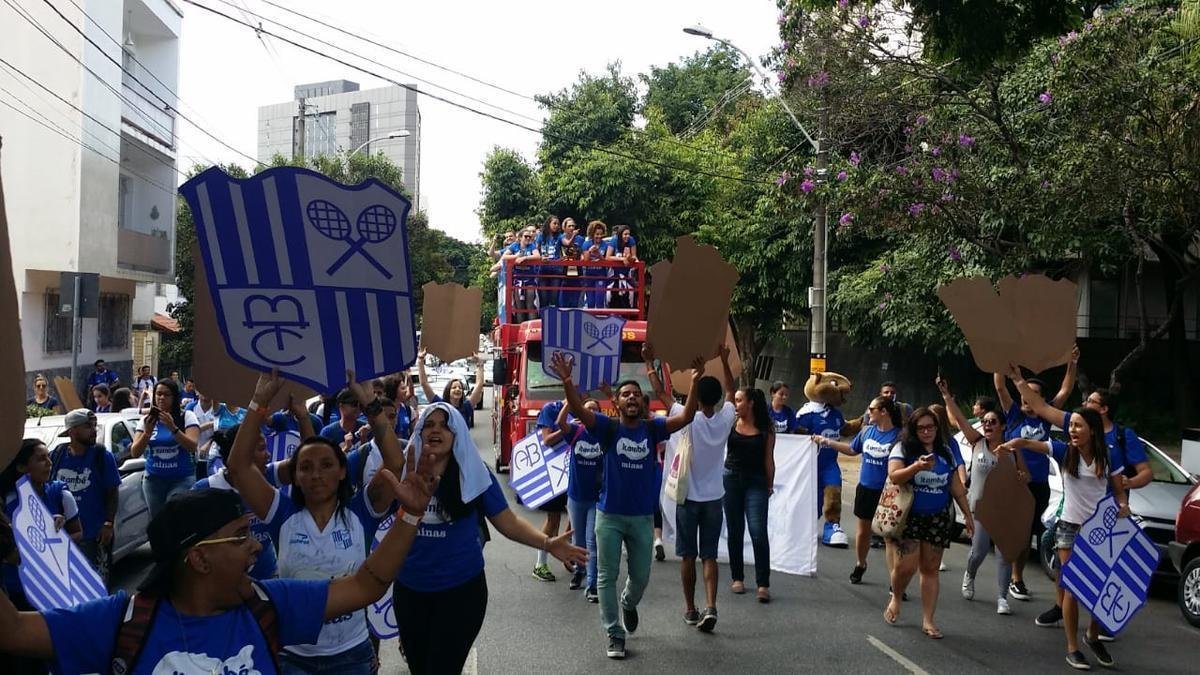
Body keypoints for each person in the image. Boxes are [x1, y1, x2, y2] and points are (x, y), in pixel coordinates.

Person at [0, 459, 437, 675]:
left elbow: (365, 586)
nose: (254, 549)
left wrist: (411, 516)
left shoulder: (269, 603)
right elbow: (14, 631)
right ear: (198, 558)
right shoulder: (123, 621)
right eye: (240, 536)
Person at [226, 371, 408, 674]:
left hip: (352, 655)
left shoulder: (361, 511)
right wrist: (259, 401)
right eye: (305, 467)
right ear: (295, 476)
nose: (316, 474)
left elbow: (395, 463)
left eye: (326, 465)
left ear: (341, 472)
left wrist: (369, 404)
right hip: (293, 657)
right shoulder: (280, 513)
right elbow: (238, 467)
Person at [394, 402, 586, 674]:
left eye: (445, 424)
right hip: (410, 591)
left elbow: (508, 522)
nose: (436, 430)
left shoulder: (475, 473)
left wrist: (547, 543)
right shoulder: (404, 469)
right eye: (429, 424)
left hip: (461, 594)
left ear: (457, 432)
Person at [553, 349, 702, 659]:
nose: (631, 397)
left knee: (640, 576)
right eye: (625, 394)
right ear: (617, 403)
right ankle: (614, 632)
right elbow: (580, 412)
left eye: (636, 394)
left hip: (641, 518)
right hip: (608, 516)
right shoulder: (607, 429)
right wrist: (568, 381)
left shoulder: (652, 428)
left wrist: (696, 379)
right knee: (606, 575)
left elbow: (687, 417)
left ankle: (628, 603)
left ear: (643, 403)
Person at [1005, 366, 1151, 638]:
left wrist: (1126, 485)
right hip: (1074, 513)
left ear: (1104, 409)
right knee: (1058, 554)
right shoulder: (1076, 427)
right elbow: (1041, 406)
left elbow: (1146, 472)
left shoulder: (1121, 438)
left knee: (1100, 574)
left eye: (1091, 402)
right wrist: (1017, 379)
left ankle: (1099, 623)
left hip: (1108, 517)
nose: (1083, 406)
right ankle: (1063, 609)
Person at [998, 405, 1128, 670]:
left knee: (1099, 589)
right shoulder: (1064, 450)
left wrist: (1123, 505)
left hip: (1099, 532)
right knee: (1072, 588)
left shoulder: (1109, 455)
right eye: (1071, 426)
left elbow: (1118, 491)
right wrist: (1013, 443)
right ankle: (1072, 648)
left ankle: (1092, 635)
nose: (1073, 430)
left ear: (1092, 430)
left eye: (1078, 426)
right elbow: (1031, 444)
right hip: (1068, 528)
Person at [993, 345, 1079, 602]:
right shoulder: (1014, 415)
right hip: (1013, 484)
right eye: (1024, 394)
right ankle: (1015, 579)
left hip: (1038, 483)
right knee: (1018, 534)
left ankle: (1016, 577)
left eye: (1032, 395)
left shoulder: (1044, 417)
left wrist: (1071, 363)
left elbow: (1065, 391)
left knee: (1030, 533)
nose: (1026, 399)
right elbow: (1000, 387)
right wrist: (999, 356)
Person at [882, 407, 972, 639]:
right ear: (913, 429)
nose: (926, 432)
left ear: (937, 428)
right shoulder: (903, 448)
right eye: (921, 428)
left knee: (930, 569)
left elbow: (956, 488)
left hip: (937, 517)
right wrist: (916, 467)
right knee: (906, 567)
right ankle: (896, 597)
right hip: (910, 517)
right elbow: (894, 476)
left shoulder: (946, 451)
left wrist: (968, 516)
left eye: (930, 427)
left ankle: (928, 620)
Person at [663, 344, 736, 630]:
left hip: (687, 498)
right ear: (717, 399)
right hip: (714, 498)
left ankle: (691, 609)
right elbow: (731, 390)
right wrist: (725, 361)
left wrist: (649, 365)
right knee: (709, 556)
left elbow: (661, 394)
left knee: (687, 555)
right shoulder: (725, 419)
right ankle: (711, 606)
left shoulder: (685, 418)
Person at [936, 379, 1024, 615]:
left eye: (992, 422)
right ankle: (970, 574)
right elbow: (961, 421)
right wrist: (946, 395)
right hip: (979, 509)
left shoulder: (1012, 450)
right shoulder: (977, 443)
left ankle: (1002, 598)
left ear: (1003, 427)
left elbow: (1023, 476)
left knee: (1005, 555)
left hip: (1003, 511)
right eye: (985, 422)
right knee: (978, 553)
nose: (987, 425)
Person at [1, 439, 82, 675]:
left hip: (52, 589)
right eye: (40, 459)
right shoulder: (7, 502)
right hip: (16, 591)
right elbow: (13, 555)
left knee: (55, 649)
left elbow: (77, 534)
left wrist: (56, 536)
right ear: (21, 467)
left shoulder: (60, 494)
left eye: (48, 457)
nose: (48, 463)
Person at [815, 396, 903, 585]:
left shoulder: (899, 436)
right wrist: (827, 442)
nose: (868, 412)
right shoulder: (867, 432)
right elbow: (852, 450)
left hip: (888, 493)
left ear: (884, 412)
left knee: (889, 538)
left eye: (871, 409)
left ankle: (895, 581)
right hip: (866, 489)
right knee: (863, 532)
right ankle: (860, 563)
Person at [193, 425, 283, 581]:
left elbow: (304, 462)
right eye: (261, 449)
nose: (268, 455)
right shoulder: (205, 490)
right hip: (225, 584)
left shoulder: (267, 476)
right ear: (240, 456)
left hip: (267, 577)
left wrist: (302, 417)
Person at [48, 409, 120, 576]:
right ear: (72, 431)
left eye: (95, 426)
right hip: (63, 536)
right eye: (88, 426)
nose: (94, 431)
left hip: (94, 535)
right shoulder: (57, 455)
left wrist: (108, 523)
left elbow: (112, 491)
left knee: (97, 584)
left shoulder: (102, 456)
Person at [725, 385, 776, 603]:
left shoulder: (766, 430)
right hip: (731, 478)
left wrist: (769, 485)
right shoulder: (730, 424)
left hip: (756, 482)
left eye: (739, 400)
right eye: (735, 400)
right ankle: (737, 578)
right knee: (735, 530)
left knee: (757, 531)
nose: (735, 405)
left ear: (750, 403)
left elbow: (769, 460)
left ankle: (762, 583)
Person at [128, 379, 200, 518]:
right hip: (153, 480)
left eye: (166, 395)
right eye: (158, 394)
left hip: (181, 479)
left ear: (174, 397)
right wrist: (147, 433)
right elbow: (135, 452)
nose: (161, 398)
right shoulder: (146, 420)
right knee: (158, 521)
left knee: (174, 516)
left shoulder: (186, 416)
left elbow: (192, 446)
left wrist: (172, 427)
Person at [557, 396, 603, 601]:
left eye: (594, 410)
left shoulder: (605, 434)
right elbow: (560, 423)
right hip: (576, 496)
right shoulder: (575, 432)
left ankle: (593, 585)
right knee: (579, 540)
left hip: (596, 497)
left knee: (592, 541)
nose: (590, 413)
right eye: (586, 410)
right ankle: (580, 571)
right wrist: (570, 402)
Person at [796, 373, 850, 549]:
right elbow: (796, 435)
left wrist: (862, 421)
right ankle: (805, 525)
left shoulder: (835, 413)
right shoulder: (805, 414)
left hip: (830, 464)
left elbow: (845, 429)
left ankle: (832, 526)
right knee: (813, 499)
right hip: (810, 464)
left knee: (833, 491)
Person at [530, 398, 571, 583]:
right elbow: (546, 440)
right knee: (553, 520)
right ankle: (540, 564)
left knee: (579, 517)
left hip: (579, 471)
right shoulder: (551, 409)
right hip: (556, 473)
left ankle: (569, 553)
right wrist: (567, 429)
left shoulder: (587, 407)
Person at [418, 348, 485, 428]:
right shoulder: (440, 405)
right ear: (448, 391)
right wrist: (420, 360)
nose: (457, 389)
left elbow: (479, 384)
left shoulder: (466, 407)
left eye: (460, 388)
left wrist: (480, 364)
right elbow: (424, 383)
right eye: (454, 387)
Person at [495, 227, 539, 321]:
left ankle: (531, 328)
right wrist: (516, 256)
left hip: (529, 280)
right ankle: (520, 327)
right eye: (526, 236)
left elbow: (537, 256)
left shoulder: (531, 246)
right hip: (517, 281)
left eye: (530, 237)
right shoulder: (515, 246)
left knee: (530, 305)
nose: (528, 238)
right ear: (520, 238)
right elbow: (504, 256)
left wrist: (525, 258)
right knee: (519, 307)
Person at [534, 215, 563, 309]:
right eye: (554, 223)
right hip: (542, 271)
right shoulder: (541, 236)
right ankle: (543, 321)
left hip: (556, 271)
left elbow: (566, 243)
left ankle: (553, 321)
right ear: (548, 224)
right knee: (544, 298)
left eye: (558, 224)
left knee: (554, 298)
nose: (556, 225)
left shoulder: (560, 236)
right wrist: (540, 258)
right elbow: (536, 249)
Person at [557, 217, 586, 308]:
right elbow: (567, 243)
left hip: (577, 270)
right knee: (563, 301)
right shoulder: (561, 237)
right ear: (564, 228)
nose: (572, 228)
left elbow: (583, 253)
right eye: (569, 226)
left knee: (576, 301)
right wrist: (573, 236)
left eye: (573, 226)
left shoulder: (580, 239)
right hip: (563, 271)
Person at [583, 220, 611, 309]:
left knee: (599, 301)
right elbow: (585, 261)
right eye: (597, 234)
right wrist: (590, 251)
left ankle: (600, 320)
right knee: (590, 302)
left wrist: (598, 254)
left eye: (600, 234)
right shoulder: (586, 244)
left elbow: (607, 262)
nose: (599, 236)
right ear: (592, 234)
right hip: (589, 276)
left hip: (601, 275)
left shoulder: (606, 245)